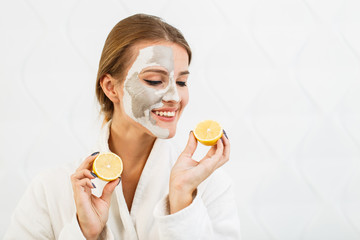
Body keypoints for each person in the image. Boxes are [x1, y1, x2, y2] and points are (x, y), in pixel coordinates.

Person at [4, 14, 241, 239]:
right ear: (110, 87)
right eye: (155, 80)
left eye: (181, 82)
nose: (175, 97)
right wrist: (85, 233)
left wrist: (181, 201)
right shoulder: (49, 190)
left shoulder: (210, 186)